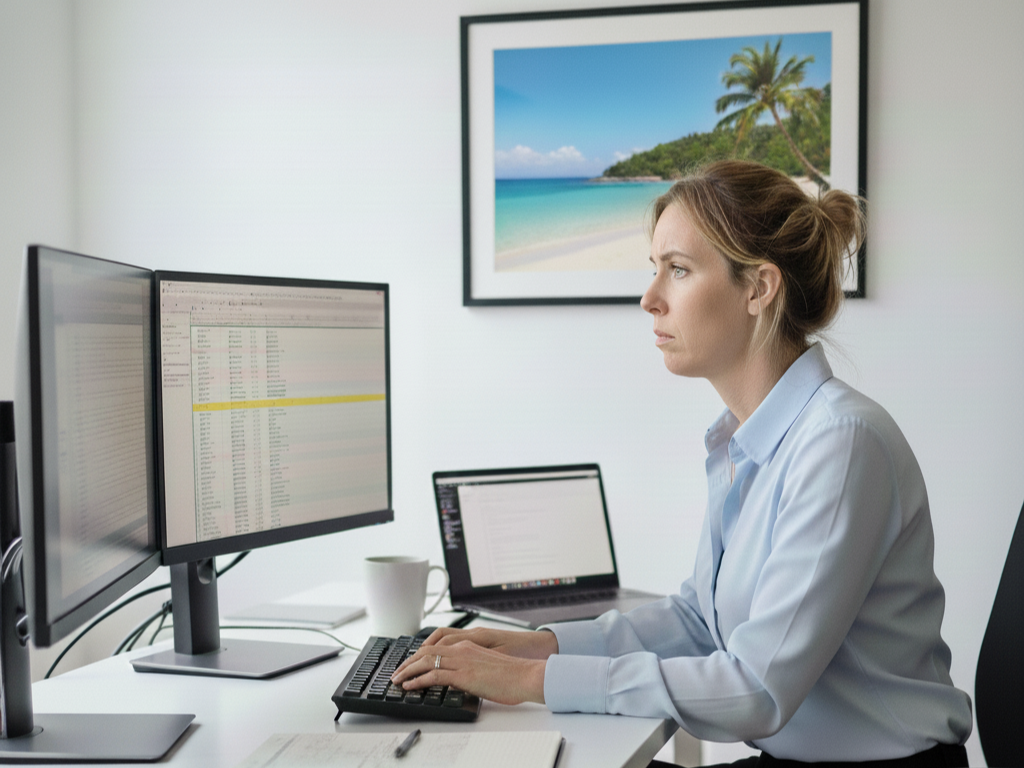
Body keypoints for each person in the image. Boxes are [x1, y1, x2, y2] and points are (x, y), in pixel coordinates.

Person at [391, 160, 973, 766]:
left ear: (758, 288)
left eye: (678, 270)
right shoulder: (743, 440)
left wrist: (532, 683)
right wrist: (534, 648)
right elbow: (698, 622)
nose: (649, 299)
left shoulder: (841, 443)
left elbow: (756, 688)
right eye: (654, 270)